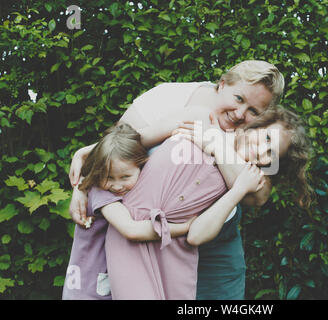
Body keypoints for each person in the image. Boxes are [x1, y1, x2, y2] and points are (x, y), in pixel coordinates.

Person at [67, 60, 288, 299]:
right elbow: (117, 150)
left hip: (215, 232)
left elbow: (259, 195)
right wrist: (83, 178)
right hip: (154, 230)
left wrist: (216, 145)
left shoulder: (259, 138)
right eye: (238, 99)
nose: (240, 114)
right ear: (222, 84)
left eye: (254, 111)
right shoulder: (169, 100)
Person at [102, 107, 311, 299]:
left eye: (271, 154)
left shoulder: (243, 183)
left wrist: (237, 186)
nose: (261, 150)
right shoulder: (207, 126)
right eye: (266, 137)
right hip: (128, 235)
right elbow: (130, 144)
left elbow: (196, 235)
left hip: (170, 258)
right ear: (257, 125)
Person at [62, 123, 196, 299]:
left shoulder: (112, 189)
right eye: (108, 177)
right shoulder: (100, 193)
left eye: (125, 177)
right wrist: (186, 227)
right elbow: (131, 230)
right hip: (89, 289)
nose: (117, 185)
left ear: (142, 167)